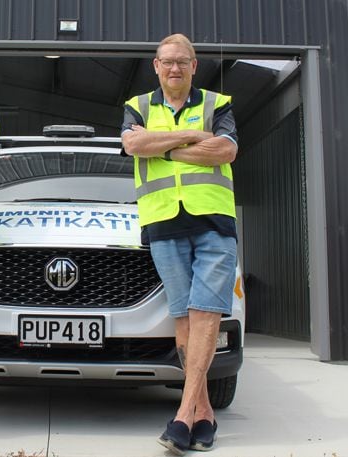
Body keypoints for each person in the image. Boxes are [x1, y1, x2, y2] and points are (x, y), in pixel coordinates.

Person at [121, 33, 238, 455]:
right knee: (184, 319)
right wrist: (189, 141)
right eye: (167, 62)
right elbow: (133, 143)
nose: (174, 68)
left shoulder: (217, 103)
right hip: (163, 220)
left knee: (205, 313)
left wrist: (161, 147)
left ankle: (183, 416)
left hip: (213, 221)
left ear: (194, 65)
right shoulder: (137, 107)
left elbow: (224, 150)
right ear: (156, 65)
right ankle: (204, 414)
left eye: (182, 62)